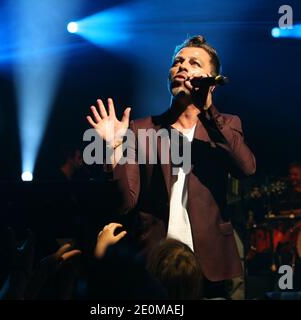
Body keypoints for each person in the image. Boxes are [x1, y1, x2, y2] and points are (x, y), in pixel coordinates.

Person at [86, 35, 256, 296]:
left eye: (194, 63)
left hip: (209, 260)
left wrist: (209, 111)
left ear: (212, 82)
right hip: (156, 260)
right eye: (177, 62)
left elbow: (246, 169)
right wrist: (116, 146)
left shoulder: (226, 125)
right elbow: (124, 202)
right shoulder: (142, 129)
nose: (183, 66)